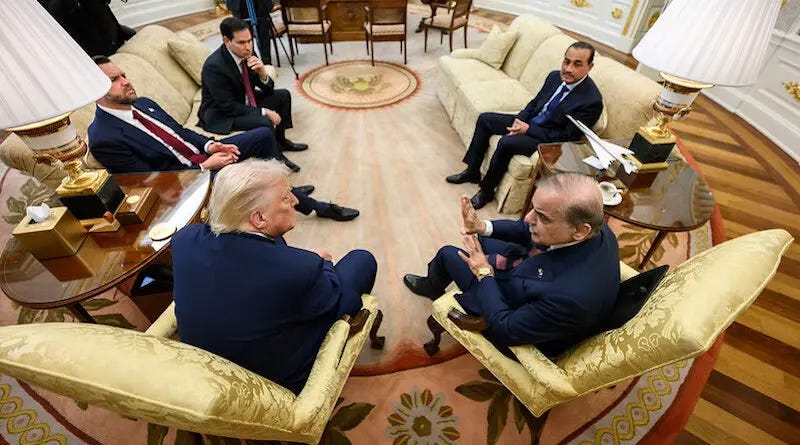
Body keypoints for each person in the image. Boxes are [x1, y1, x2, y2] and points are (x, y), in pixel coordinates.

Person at [171, 159, 377, 394]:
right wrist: (323, 263)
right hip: (272, 382)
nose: (296, 201)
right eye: (286, 198)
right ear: (259, 219)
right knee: (362, 259)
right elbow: (343, 304)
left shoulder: (184, 239)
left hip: (204, 369)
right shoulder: (301, 270)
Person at [88, 57, 359, 221]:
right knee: (255, 177)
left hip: (202, 156)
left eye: (123, 74)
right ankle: (316, 207)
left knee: (263, 135)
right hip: (188, 181)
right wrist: (208, 166)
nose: (125, 81)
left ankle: (286, 188)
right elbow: (151, 183)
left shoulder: (144, 103)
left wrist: (210, 145)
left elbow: (181, 132)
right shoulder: (104, 137)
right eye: (114, 79)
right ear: (96, 88)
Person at [404, 173, 620, 357]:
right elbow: (525, 229)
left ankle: (432, 286)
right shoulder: (595, 228)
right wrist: (481, 226)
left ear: (580, 230)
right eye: (533, 209)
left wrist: (485, 274)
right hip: (535, 273)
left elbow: (505, 329)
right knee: (481, 240)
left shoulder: (569, 298)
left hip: (514, 312)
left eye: (543, 218)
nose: (528, 218)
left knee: (448, 254)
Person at [447, 41, 604, 210]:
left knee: (507, 143)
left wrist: (528, 129)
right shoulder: (554, 77)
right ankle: (473, 171)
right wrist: (519, 121)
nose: (568, 69)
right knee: (486, 119)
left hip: (547, 139)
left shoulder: (591, 101)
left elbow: (567, 137)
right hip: (530, 122)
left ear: (590, 67)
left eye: (577, 64)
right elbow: (535, 103)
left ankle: (486, 191)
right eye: (566, 61)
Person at [198, 17, 307, 162]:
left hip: (244, 101)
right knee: (264, 120)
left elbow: (268, 90)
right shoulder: (214, 66)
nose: (248, 47)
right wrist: (264, 112)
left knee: (283, 96)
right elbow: (228, 107)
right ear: (226, 41)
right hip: (223, 114)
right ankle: (277, 159)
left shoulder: (248, 53)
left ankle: (281, 142)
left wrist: (262, 73)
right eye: (241, 42)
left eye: (250, 40)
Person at [225, 0, 274, 65]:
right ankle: (252, 65)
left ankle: (267, 64)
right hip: (240, 6)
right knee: (244, 40)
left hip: (260, 6)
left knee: (264, 38)